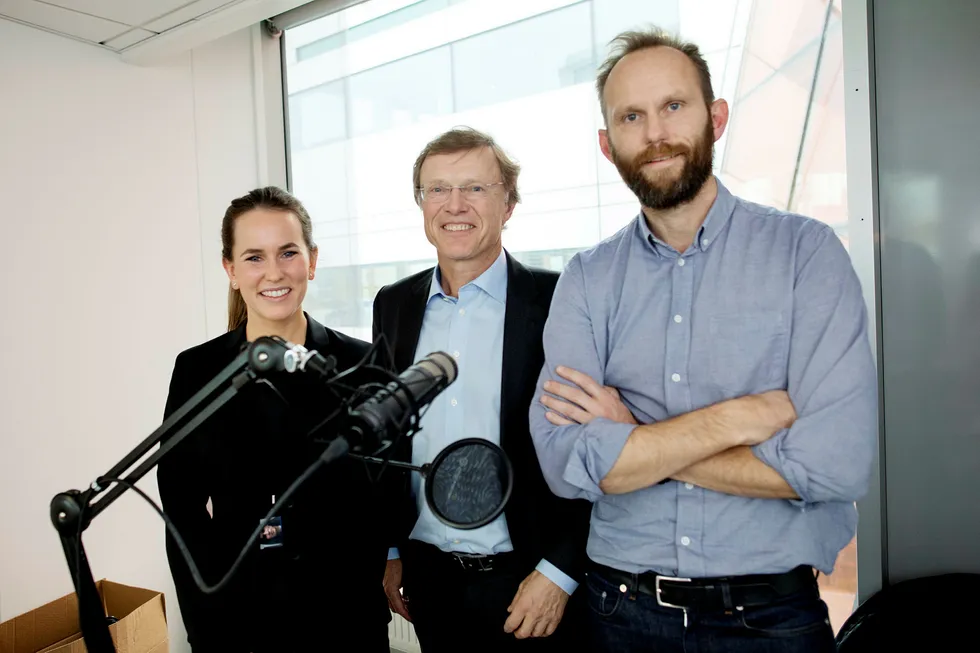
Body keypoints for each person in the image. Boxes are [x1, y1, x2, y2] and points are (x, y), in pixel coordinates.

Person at [528, 28, 878, 653]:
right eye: (631, 116)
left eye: (674, 106)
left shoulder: (807, 254)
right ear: (609, 147)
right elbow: (565, 462)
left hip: (771, 621)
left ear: (715, 118)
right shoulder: (587, 277)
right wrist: (743, 418)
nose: (655, 132)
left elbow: (834, 465)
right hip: (620, 614)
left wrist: (632, 436)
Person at [372, 127, 591, 652]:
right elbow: (386, 440)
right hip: (429, 578)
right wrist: (391, 550)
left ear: (508, 202)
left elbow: (597, 443)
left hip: (530, 578)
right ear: (421, 203)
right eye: (438, 190)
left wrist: (561, 571)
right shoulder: (393, 304)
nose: (455, 205)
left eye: (475, 188)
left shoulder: (559, 298)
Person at [157, 187, 391, 652]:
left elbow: (381, 501)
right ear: (230, 271)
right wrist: (205, 627)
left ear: (312, 260)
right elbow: (181, 513)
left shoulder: (362, 364)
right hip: (238, 626)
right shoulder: (197, 371)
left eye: (288, 252)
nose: (274, 272)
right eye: (253, 257)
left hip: (344, 622)